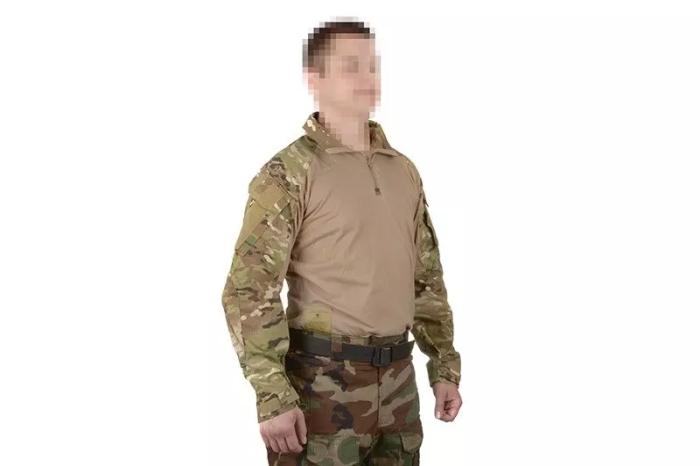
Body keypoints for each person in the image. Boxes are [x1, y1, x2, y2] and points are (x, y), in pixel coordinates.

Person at [221, 18, 462, 465]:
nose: (367, 76)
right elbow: (248, 289)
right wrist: (272, 395)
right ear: (314, 78)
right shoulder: (289, 173)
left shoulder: (402, 171)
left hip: (399, 384)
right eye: (351, 66)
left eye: (372, 65)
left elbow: (426, 277)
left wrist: (443, 365)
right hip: (321, 385)